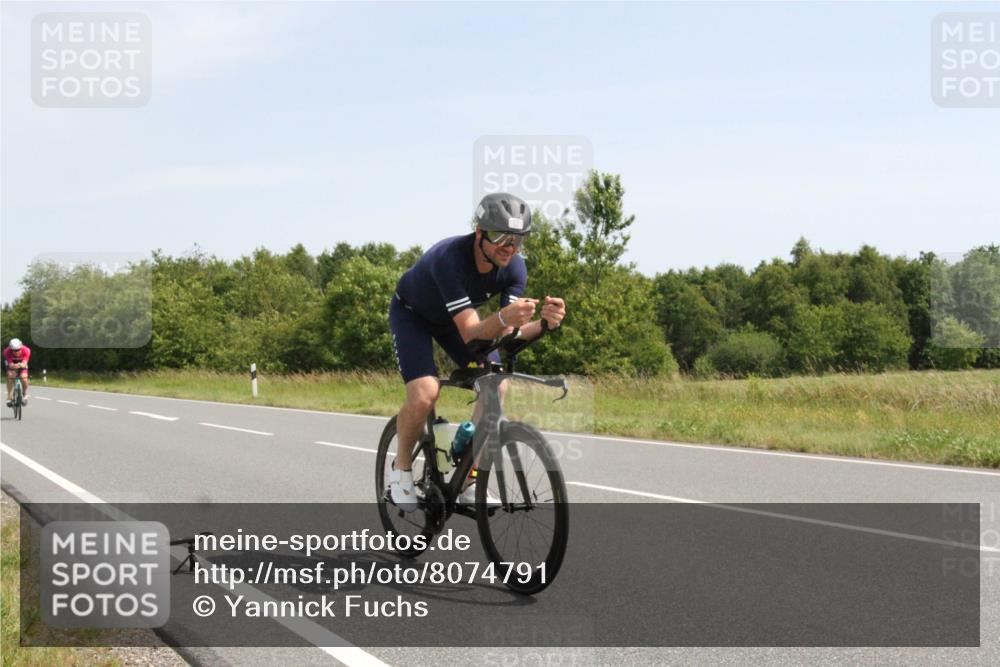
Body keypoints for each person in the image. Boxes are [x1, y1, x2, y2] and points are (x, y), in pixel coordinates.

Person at [387, 193, 566, 511]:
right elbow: (473, 331)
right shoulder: (450, 259)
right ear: (480, 232)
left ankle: (469, 479)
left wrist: (544, 325)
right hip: (413, 314)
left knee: (496, 383)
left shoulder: (514, 270)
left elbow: (507, 334)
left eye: (517, 239)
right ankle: (400, 472)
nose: (508, 247)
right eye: (500, 237)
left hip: (454, 323)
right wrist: (501, 320)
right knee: (425, 392)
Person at [4, 338, 31, 407]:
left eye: (18, 350)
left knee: (24, 378)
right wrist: (13, 366)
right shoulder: (6, 351)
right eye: (14, 350)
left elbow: (24, 363)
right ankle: (9, 395)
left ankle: (24, 393)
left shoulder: (26, 350)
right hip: (11, 364)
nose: (16, 352)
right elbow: (10, 364)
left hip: (22, 363)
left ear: (21, 347)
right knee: (10, 376)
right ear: (10, 349)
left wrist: (21, 365)